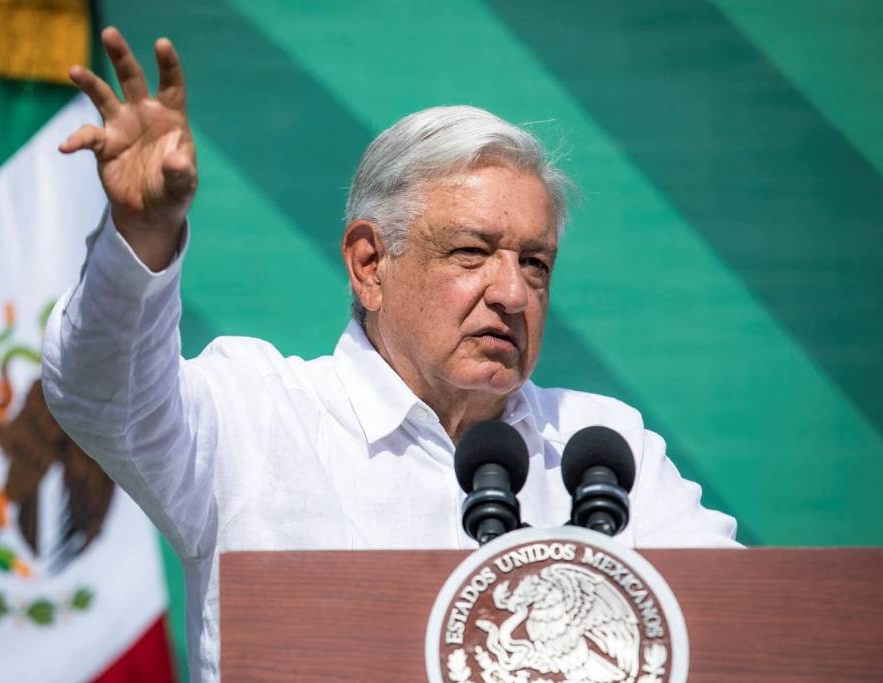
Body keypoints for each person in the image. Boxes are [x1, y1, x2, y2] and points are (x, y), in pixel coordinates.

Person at [42, 27, 739, 682]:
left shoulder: (603, 452)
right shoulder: (257, 413)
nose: (511, 292)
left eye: (535, 263)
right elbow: (100, 394)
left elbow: (744, 628)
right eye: (472, 252)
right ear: (370, 264)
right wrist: (142, 231)